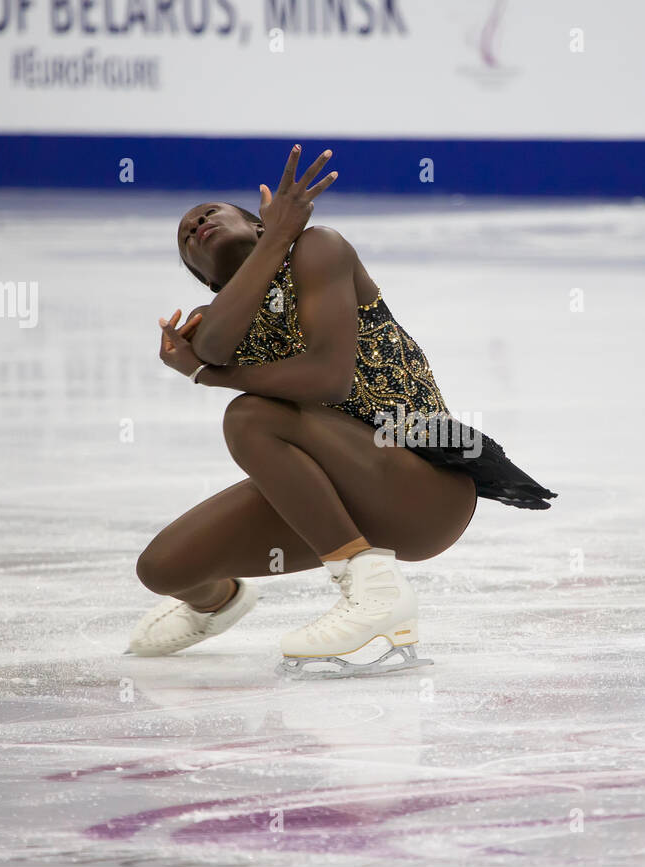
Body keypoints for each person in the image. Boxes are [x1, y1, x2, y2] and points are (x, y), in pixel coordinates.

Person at [130, 145, 555, 678]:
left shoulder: (317, 249)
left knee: (250, 417)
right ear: (206, 282)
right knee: (162, 568)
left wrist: (207, 374)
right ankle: (219, 601)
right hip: (342, 497)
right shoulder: (216, 319)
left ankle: (376, 595)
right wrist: (209, 358)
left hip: (422, 486)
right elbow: (212, 344)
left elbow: (327, 377)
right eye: (186, 236)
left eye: (209, 213)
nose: (195, 224)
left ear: (260, 226)